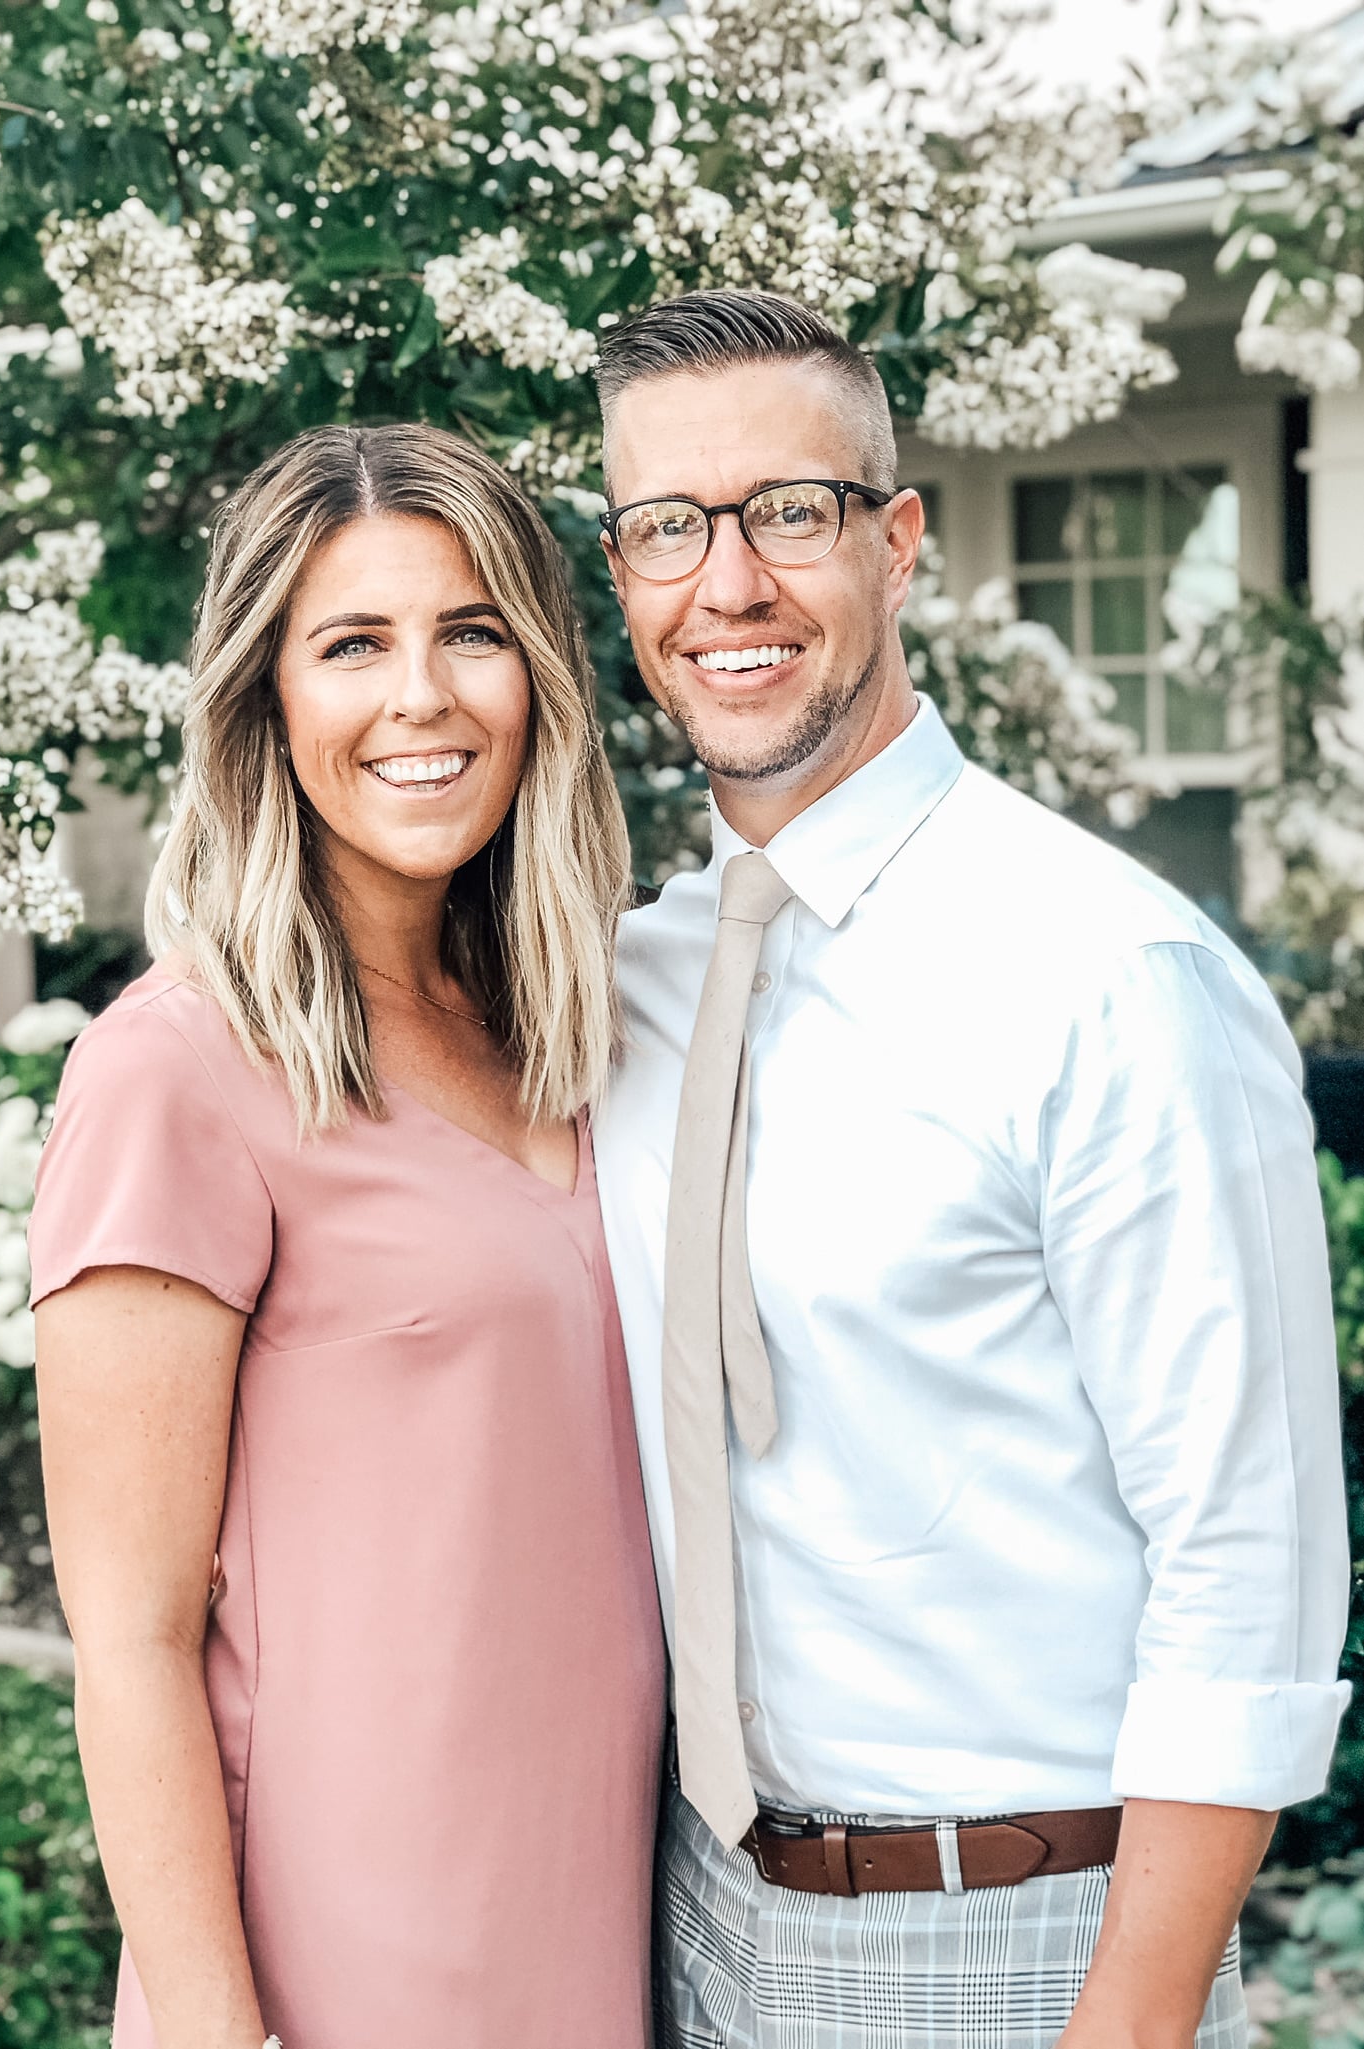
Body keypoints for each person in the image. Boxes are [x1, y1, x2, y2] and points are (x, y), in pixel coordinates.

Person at [589, 289, 1351, 2049]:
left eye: (789, 512)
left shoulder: (1109, 975)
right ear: (622, 570)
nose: (728, 586)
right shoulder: (631, 982)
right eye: (664, 528)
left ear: (898, 541)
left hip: (1023, 1939)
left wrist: (1129, 2021)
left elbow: (1245, 1553)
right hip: (685, 1921)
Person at [28, 422, 665, 2049]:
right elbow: (133, 1641)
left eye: (472, 632)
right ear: (265, 699)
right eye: (352, 644)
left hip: (601, 1931)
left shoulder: (580, 1032)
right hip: (341, 1966)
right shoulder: (172, 1072)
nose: (423, 697)